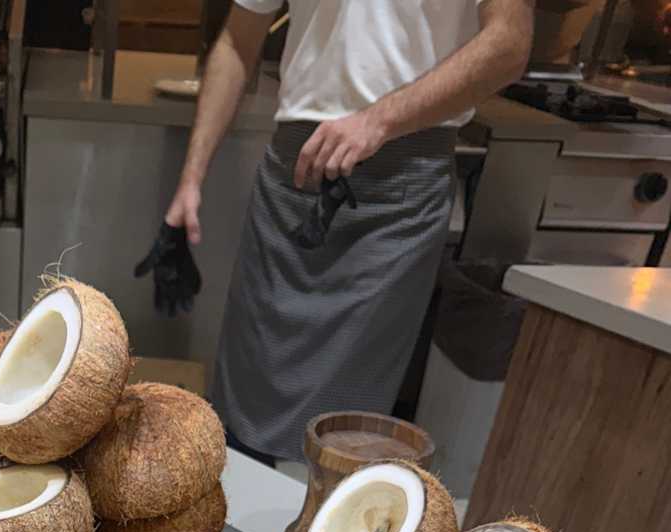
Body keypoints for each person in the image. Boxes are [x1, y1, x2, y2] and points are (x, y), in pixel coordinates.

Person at [165, 0, 534, 463]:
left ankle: (333, 509)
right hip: (290, 181)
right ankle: (231, 505)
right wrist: (191, 178)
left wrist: (379, 120)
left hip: (398, 192)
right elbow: (238, 41)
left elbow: (509, 43)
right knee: (244, 397)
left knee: (347, 427)